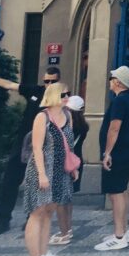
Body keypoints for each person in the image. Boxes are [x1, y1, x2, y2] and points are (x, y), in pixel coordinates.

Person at [0, 66, 61, 237]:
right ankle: (3, 219)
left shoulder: (60, 98)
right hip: (23, 142)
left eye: (52, 81)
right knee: (10, 178)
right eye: (46, 81)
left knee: (36, 182)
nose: (49, 84)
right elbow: (10, 85)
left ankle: (32, 217)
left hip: (43, 145)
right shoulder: (35, 91)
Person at [23, 82, 76, 256]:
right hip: (43, 169)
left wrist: (72, 167)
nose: (67, 97)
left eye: (68, 94)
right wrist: (42, 174)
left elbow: (69, 144)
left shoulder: (67, 115)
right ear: (53, 96)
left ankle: (43, 253)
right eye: (63, 94)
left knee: (49, 212)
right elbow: (37, 148)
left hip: (60, 171)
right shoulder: (42, 117)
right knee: (37, 212)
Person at [95, 66, 129, 251]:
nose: (110, 81)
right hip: (127, 151)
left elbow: (114, 128)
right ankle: (124, 231)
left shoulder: (120, 101)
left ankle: (119, 235)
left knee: (116, 193)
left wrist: (107, 153)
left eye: (112, 78)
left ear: (118, 82)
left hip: (118, 153)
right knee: (122, 190)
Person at [50, 95, 87, 246]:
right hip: (76, 161)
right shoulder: (83, 126)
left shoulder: (66, 125)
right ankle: (68, 228)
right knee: (68, 198)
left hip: (63, 163)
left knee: (60, 199)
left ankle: (64, 232)